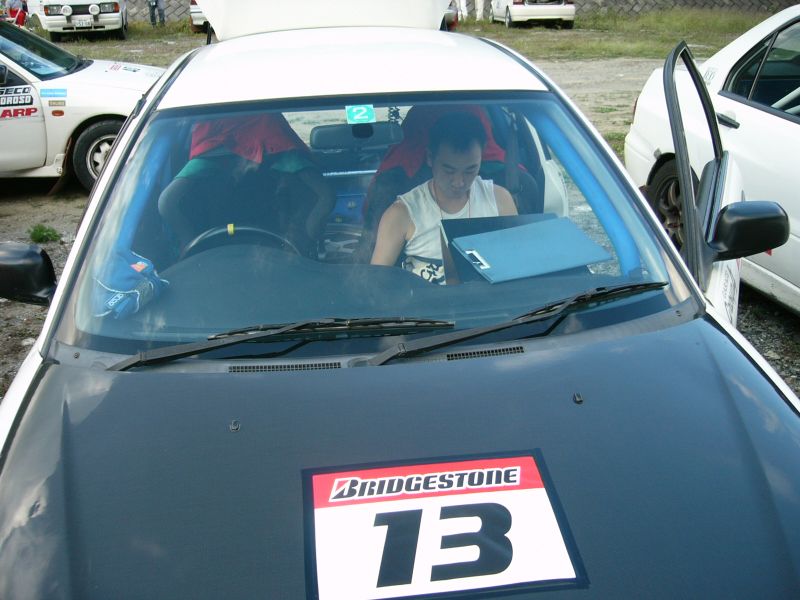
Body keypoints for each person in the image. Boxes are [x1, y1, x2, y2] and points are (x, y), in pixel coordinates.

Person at [370, 111, 517, 284]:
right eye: (449, 170)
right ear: (430, 158)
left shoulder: (500, 201)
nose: (459, 182)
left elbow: (518, 265)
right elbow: (376, 284)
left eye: (470, 170)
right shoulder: (402, 213)